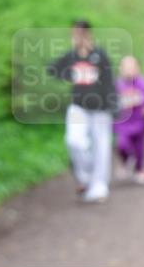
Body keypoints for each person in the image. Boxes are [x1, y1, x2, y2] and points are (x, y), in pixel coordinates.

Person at [47, 20, 117, 203]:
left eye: (79, 33)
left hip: (100, 109)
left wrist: (112, 105)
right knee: (74, 142)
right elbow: (52, 69)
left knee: (101, 147)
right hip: (78, 106)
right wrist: (70, 74)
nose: (76, 37)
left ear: (87, 34)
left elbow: (110, 82)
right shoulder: (71, 56)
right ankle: (85, 178)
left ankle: (99, 187)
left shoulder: (99, 55)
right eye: (74, 33)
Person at [113, 56, 144, 185]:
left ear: (137, 68)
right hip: (122, 123)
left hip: (139, 121)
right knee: (122, 145)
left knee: (140, 148)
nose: (129, 70)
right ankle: (125, 161)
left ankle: (140, 169)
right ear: (121, 69)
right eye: (126, 67)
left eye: (132, 67)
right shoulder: (117, 84)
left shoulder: (143, 83)